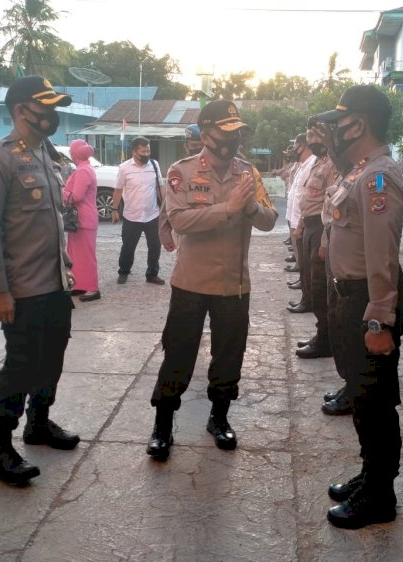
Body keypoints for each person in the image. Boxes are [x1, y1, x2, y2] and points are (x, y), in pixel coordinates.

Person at [146, 99, 278, 461]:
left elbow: (270, 219)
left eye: (238, 131)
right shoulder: (182, 171)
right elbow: (179, 220)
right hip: (190, 282)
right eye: (226, 131)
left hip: (234, 285)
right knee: (179, 353)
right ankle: (162, 424)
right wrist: (228, 209)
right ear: (205, 134)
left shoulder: (248, 173)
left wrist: (249, 206)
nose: (233, 139)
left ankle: (219, 418)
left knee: (229, 356)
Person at [0, 75, 80, 486]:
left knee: (52, 358)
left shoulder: (45, 155)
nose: (52, 116)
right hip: (22, 290)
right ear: (20, 111)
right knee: (19, 368)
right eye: (45, 108)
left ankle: (39, 423)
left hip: (55, 284)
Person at [311, 85, 403, 529]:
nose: (333, 131)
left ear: (360, 123)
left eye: (340, 121)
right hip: (349, 297)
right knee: (361, 396)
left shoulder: (377, 177)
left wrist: (378, 318)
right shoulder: (358, 171)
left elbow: (382, 255)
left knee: (375, 403)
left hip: (369, 304)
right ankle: (371, 475)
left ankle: (380, 496)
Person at [294, 125, 339, 360]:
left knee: (322, 286)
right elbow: (308, 197)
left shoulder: (332, 163)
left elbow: (329, 203)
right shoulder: (318, 162)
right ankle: (321, 333)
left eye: (314, 135)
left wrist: (324, 240)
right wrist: (301, 223)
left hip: (322, 227)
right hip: (310, 225)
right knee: (313, 282)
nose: (311, 140)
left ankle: (326, 339)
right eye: (308, 135)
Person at [110, 136, 165, 285]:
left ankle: (152, 274)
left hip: (152, 214)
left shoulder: (154, 165)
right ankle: (124, 272)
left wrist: (165, 207)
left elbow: (160, 187)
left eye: (148, 150)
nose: (147, 153)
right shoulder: (124, 168)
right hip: (131, 216)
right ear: (134, 152)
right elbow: (118, 190)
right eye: (143, 151)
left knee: (155, 246)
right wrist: (114, 209)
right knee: (128, 246)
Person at [64, 139, 100, 302]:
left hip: (82, 219)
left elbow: (76, 196)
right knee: (76, 255)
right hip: (81, 220)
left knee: (85, 255)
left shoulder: (83, 171)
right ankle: (80, 285)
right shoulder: (86, 168)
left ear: (73, 154)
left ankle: (92, 288)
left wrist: (61, 192)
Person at [160, 124, 203, 252]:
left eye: (201, 145)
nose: (198, 149)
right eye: (194, 146)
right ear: (186, 146)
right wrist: (164, 232)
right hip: (186, 231)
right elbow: (167, 202)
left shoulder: (215, 167)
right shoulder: (179, 170)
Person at [285, 133, 314, 312]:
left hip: (305, 222)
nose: (293, 150)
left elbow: (311, 198)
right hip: (296, 218)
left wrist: (301, 223)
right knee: (303, 265)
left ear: (303, 145)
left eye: (295, 145)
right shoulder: (304, 165)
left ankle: (308, 300)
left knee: (308, 267)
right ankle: (306, 296)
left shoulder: (313, 164)